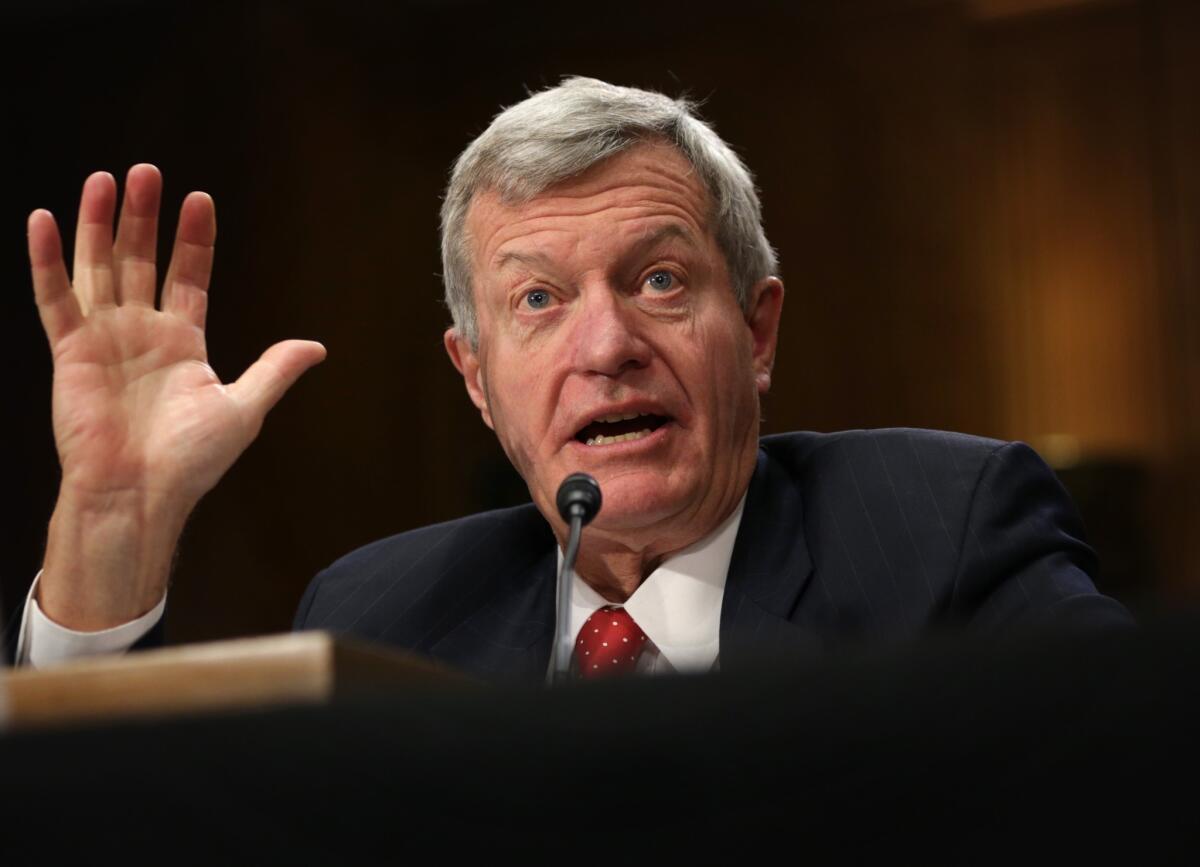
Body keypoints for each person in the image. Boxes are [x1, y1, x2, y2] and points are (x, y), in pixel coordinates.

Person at [13, 77, 1132, 676]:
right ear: (477, 381)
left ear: (756, 331)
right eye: (538, 300)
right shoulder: (383, 618)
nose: (605, 348)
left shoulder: (943, 536)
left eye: (656, 280)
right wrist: (114, 527)